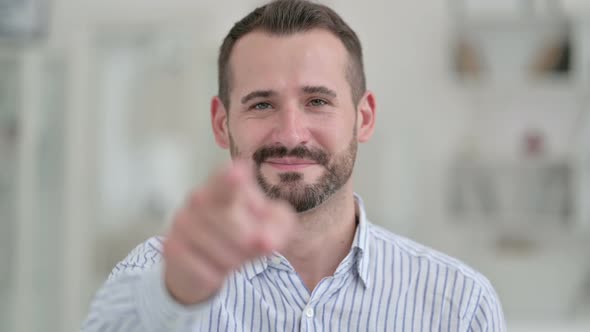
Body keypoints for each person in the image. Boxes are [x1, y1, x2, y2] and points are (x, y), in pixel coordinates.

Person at [82, 0, 506, 331]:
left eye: (317, 102)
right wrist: (176, 296)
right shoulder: (160, 273)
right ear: (220, 122)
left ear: (365, 117)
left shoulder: (459, 305)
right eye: (262, 104)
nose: (290, 133)